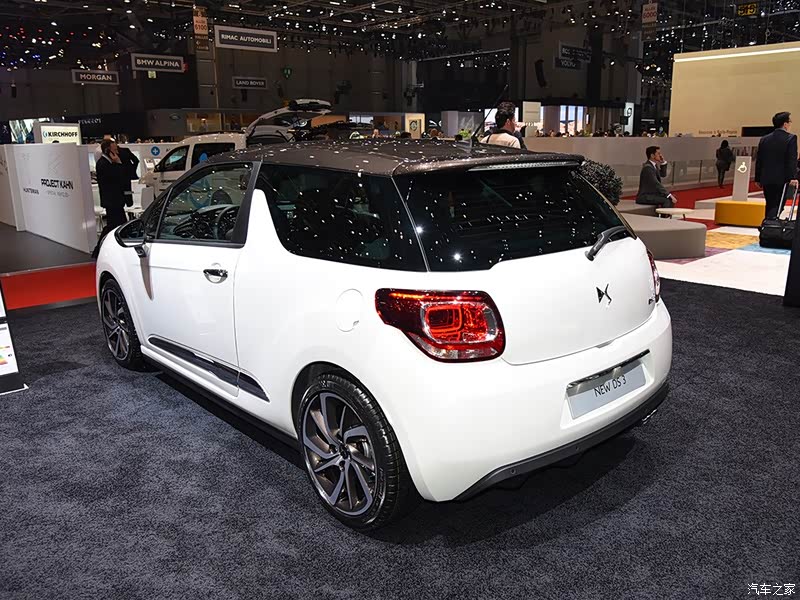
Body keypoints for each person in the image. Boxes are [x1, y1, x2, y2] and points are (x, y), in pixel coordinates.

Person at [755, 111, 799, 220]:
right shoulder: (791, 138)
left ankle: (767, 224)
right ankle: (770, 224)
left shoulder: (764, 139)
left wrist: (758, 178)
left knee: (770, 204)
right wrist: (793, 177)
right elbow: (791, 160)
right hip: (782, 179)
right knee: (778, 205)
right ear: (785, 124)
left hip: (766, 178)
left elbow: (759, 160)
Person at [92, 139, 130, 258]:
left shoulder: (107, 163)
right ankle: (99, 249)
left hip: (115, 200)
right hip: (112, 201)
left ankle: (105, 249)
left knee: (117, 225)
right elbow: (118, 178)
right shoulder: (103, 164)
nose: (117, 151)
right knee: (113, 225)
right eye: (115, 149)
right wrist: (118, 163)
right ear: (108, 150)